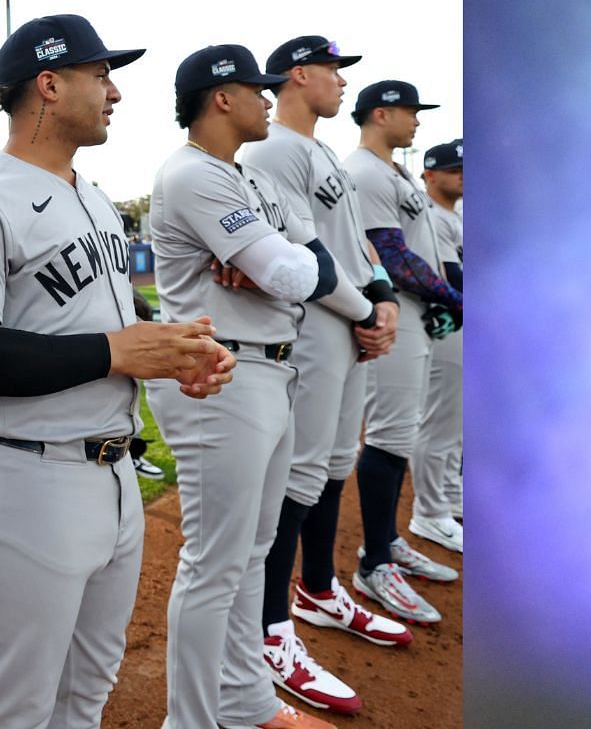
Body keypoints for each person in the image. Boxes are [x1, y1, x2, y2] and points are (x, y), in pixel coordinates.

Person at [0, 14, 234, 727]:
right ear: (49, 83)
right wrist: (118, 352)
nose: (115, 92)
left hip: (113, 473)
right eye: (101, 76)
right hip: (23, 477)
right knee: (7, 705)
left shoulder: (93, 196)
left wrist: (172, 354)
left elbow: (117, 313)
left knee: (86, 690)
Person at [149, 44, 386, 729]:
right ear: (221, 97)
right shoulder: (191, 174)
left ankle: (245, 701)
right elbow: (292, 274)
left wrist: (275, 264)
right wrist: (276, 264)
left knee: (251, 554)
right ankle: (191, 721)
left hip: (272, 366)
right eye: (256, 88)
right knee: (214, 562)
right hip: (218, 371)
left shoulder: (249, 178)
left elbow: (304, 261)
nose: (266, 97)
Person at [240, 35, 412, 714]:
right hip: (313, 325)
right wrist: (370, 307)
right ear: (300, 74)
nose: (342, 83)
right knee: (302, 470)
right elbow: (299, 250)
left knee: (336, 460)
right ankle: (268, 626)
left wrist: (387, 299)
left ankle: (316, 587)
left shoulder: (316, 151)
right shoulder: (274, 148)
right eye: (333, 71)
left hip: (350, 323)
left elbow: (359, 244)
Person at [343, 81, 463, 623]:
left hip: (415, 313)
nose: (417, 121)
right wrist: (455, 297)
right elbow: (387, 256)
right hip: (393, 312)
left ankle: (387, 541)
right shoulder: (365, 171)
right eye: (410, 111)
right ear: (381, 113)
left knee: (404, 430)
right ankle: (372, 563)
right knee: (391, 433)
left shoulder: (393, 170)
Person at [410, 138, 464, 552]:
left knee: (455, 426)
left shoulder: (453, 216)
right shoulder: (429, 216)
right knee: (440, 423)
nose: (462, 175)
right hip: (445, 328)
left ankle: (447, 495)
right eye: (454, 169)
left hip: (460, 325)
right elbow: (451, 278)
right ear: (430, 174)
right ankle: (429, 512)